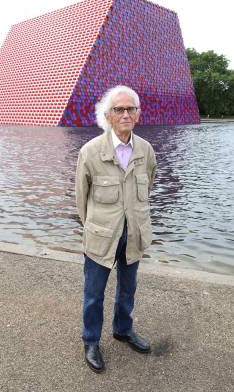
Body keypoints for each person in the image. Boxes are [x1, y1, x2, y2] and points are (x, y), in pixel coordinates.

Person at [75, 85, 157, 373]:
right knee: (94, 293)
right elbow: (81, 200)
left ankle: (123, 330)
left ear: (138, 114)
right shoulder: (91, 151)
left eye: (130, 109)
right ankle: (91, 341)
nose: (125, 114)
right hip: (102, 236)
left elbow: (149, 183)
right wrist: (95, 228)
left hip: (133, 234)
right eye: (119, 109)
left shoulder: (146, 150)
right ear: (108, 116)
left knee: (127, 289)